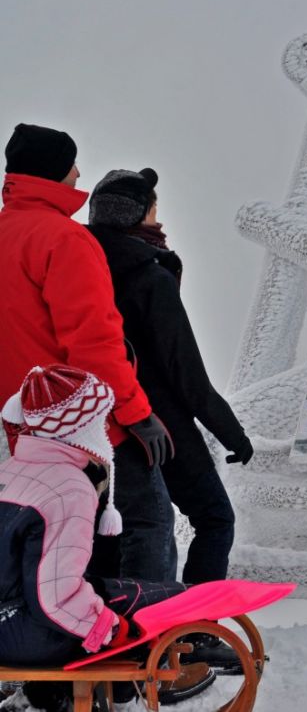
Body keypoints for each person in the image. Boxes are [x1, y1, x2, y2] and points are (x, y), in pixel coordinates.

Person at [87, 168, 253, 671]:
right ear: (137, 215)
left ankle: (112, 631)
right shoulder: (148, 274)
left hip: (93, 424)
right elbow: (186, 373)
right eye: (154, 209)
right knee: (214, 518)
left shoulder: (82, 266)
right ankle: (192, 632)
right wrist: (231, 431)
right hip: (159, 425)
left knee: (110, 535)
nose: (159, 218)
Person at [0, 124, 176, 583]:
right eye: (73, 164)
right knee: (147, 519)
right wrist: (139, 415)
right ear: (59, 172)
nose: (79, 173)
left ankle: (75, 628)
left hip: (24, 425)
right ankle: (141, 641)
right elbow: (94, 343)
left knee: (69, 532)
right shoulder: (65, 240)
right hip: (84, 422)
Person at [0, 364, 213, 712]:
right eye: (99, 421)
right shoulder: (69, 487)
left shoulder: (10, 469)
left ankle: (46, 698)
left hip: (10, 622)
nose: (103, 429)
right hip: (26, 638)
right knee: (133, 604)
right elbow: (54, 600)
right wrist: (114, 631)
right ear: (80, 428)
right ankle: (139, 678)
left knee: (104, 593)